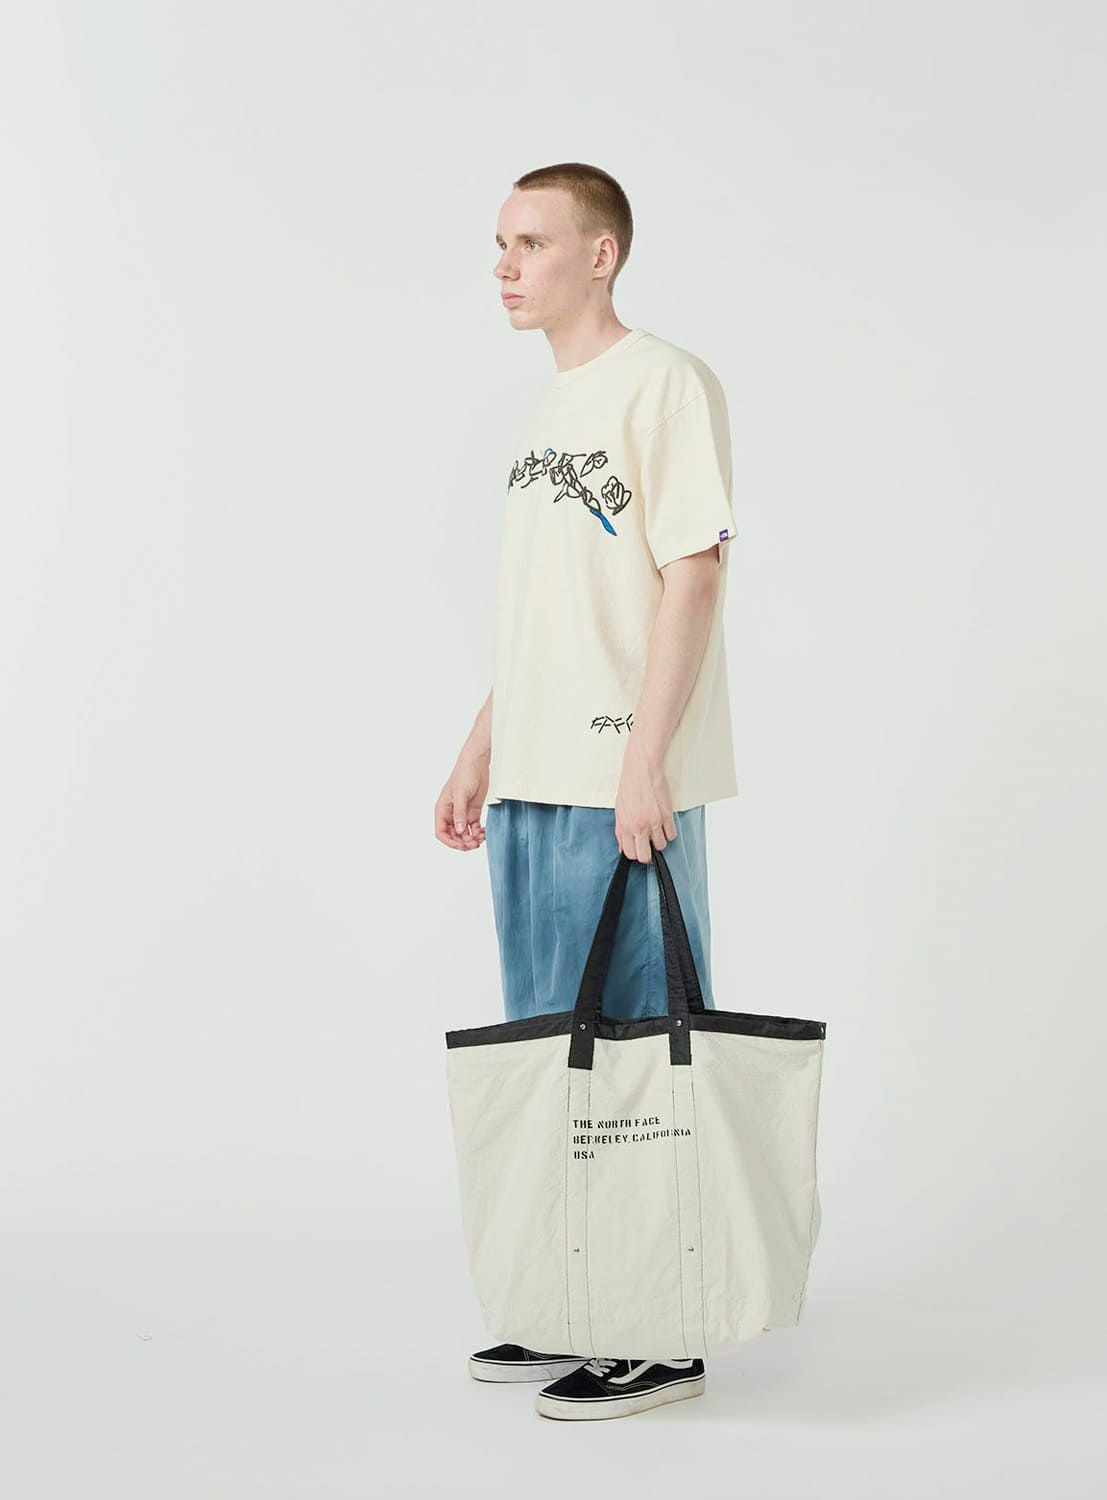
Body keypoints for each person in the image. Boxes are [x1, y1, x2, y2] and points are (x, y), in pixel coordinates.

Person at [434, 161, 739, 1422]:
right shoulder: (550, 410)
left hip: (618, 779)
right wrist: (482, 745)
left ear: (599, 253)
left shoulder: (664, 382)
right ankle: (582, 1300)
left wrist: (643, 759)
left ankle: (660, 1332)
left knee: (638, 1050)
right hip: (536, 778)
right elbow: (550, 618)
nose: (504, 266)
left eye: (531, 242)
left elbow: (693, 576)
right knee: (557, 1054)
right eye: (500, 244)